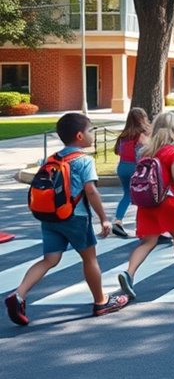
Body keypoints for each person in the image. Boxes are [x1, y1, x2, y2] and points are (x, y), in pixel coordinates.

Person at [5, 113, 129, 325]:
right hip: (76, 218)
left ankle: (19, 294)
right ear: (80, 135)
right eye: (91, 131)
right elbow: (91, 191)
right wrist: (104, 219)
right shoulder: (84, 160)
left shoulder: (52, 158)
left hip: (50, 217)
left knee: (50, 260)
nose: (92, 135)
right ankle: (101, 302)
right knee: (90, 259)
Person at [117, 112, 174, 301]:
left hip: (146, 202)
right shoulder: (172, 151)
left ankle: (129, 272)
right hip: (166, 201)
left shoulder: (145, 150)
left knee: (148, 242)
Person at [112, 107, 150, 237]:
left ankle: (118, 220)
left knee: (127, 195)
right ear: (143, 119)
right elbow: (146, 151)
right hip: (135, 167)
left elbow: (117, 151)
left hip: (122, 167)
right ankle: (143, 225)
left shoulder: (123, 135)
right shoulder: (142, 135)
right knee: (142, 195)